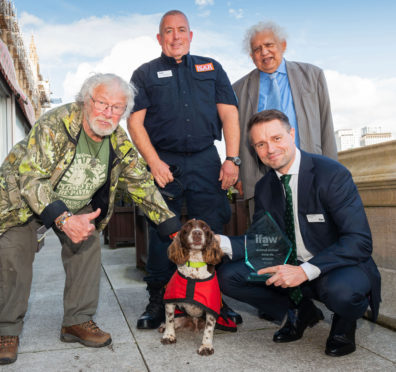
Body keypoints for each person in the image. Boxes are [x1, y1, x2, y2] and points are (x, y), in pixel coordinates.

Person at [0, 73, 181, 365]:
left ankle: (76, 321)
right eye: (102, 103)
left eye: (117, 108)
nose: (108, 113)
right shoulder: (55, 124)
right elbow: (31, 178)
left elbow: (141, 183)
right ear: (85, 101)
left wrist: (173, 228)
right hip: (21, 203)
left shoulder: (117, 138)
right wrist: (63, 219)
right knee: (14, 254)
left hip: (74, 202)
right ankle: (7, 332)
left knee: (87, 244)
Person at [217, 109, 381, 356]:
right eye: (260, 144)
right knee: (229, 276)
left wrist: (304, 271)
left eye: (276, 138)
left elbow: (359, 241)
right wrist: (222, 243)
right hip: (291, 263)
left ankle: (344, 323)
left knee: (342, 293)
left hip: (336, 266)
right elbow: (266, 240)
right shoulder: (264, 188)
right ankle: (300, 310)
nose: (270, 149)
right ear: (254, 150)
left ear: (291, 134)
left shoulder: (331, 175)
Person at [128, 9, 242, 330]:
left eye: (181, 30)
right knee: (161, 231)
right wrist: (153, 162)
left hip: (207, 159)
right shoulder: (145, 74)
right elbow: (134, 122)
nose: (175, 36)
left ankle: (214, 300)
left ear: (190, 36)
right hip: (164, 161)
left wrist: (231, 159)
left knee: (212, 229)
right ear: (159, 37)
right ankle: (157, 300)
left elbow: (229, 114)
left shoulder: (211, 68)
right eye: (168, 31)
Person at [233, 21, 337, 218]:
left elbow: (325, 123)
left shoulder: (312, 76)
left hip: (309, 170)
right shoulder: (238, 89)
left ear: (283, 45)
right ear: (251, 56)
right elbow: (235, 135)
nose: (264, 52)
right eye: (257, 49)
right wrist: (239, 171)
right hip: (261, 175)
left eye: (269, 45)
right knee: (268, 239)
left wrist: (332, 168)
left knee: (316, 232)